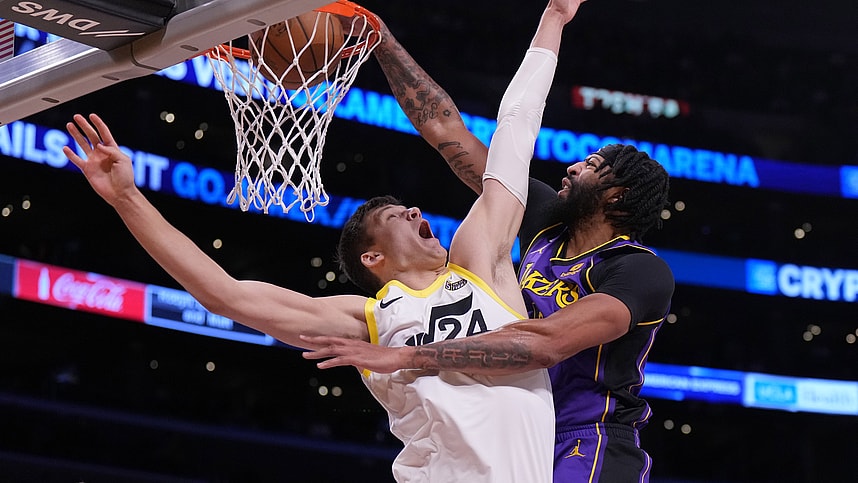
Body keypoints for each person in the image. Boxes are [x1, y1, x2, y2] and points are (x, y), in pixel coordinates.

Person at [61, 1, 588, 481]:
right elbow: (226, 294)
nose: (415, 208)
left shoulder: (481, 266)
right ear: (372, 257)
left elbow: (515, 133)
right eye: (394, 215)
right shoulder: (367, 318)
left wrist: (554, 17)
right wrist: (127, 197)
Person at [301, 5, 675, 482]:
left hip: (588, 435)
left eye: (590, 166)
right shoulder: (541, 218)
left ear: (617, 194)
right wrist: (383, 43)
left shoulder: (637, 270)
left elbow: (547, 343)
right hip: (515, 422)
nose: (571, 168)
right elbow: (447, 132)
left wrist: (409, 356)